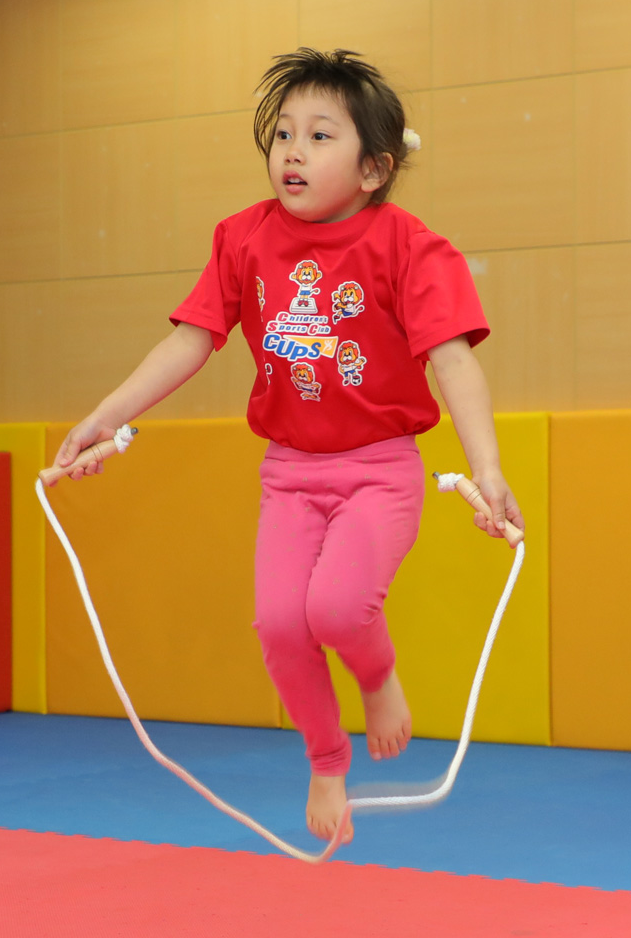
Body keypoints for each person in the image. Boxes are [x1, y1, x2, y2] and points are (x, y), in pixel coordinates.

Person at [53, 48, 524, 844]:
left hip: (380, 471)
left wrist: (488, 468)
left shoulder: (411, 247)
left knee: (336, 609)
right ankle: (326, 758)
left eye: (319, 136)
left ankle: (378, 675)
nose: (292, 152)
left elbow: (453, 361)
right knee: (279, 625)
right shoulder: (243, 239)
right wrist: (106, 415)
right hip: (291, 473)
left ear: (373, 169)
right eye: (282, 135)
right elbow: (191, 339)